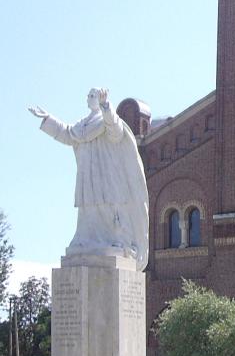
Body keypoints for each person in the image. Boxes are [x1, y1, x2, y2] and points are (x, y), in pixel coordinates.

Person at [29, 88, 149, 270]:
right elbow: (67, 134)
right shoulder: (82, 125)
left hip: (106, 177)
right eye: (89, 96)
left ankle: (116, 241)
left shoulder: (107, 119)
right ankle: (85, 240)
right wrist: (48, 119)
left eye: (93, 95)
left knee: (109, 209)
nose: (89, 98)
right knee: (88, 210)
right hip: (87, 177)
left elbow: (116, 133)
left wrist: (107, 107)